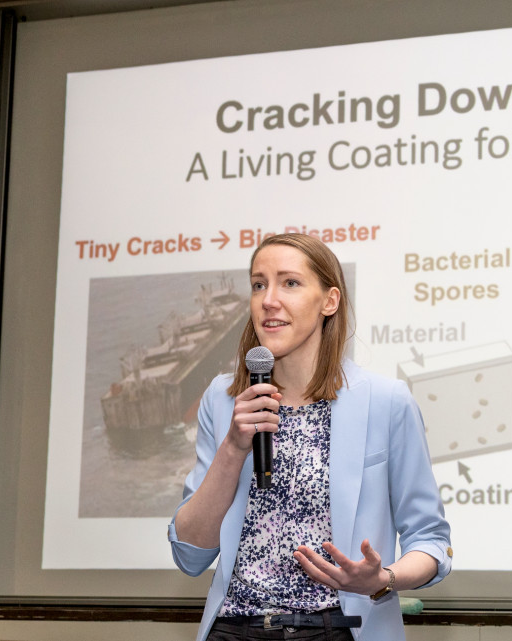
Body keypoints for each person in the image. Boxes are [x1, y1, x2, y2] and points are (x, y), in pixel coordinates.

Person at [168, 233, 452, 641]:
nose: (268, 300)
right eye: (259, 284)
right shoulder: (223, 398)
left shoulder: (387, 402)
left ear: (329, 301)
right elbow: (190, 553)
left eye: (290, 283)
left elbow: (431, 540)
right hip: (234, 629)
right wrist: (232, 447)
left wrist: (382, 579)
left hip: (338, 629)